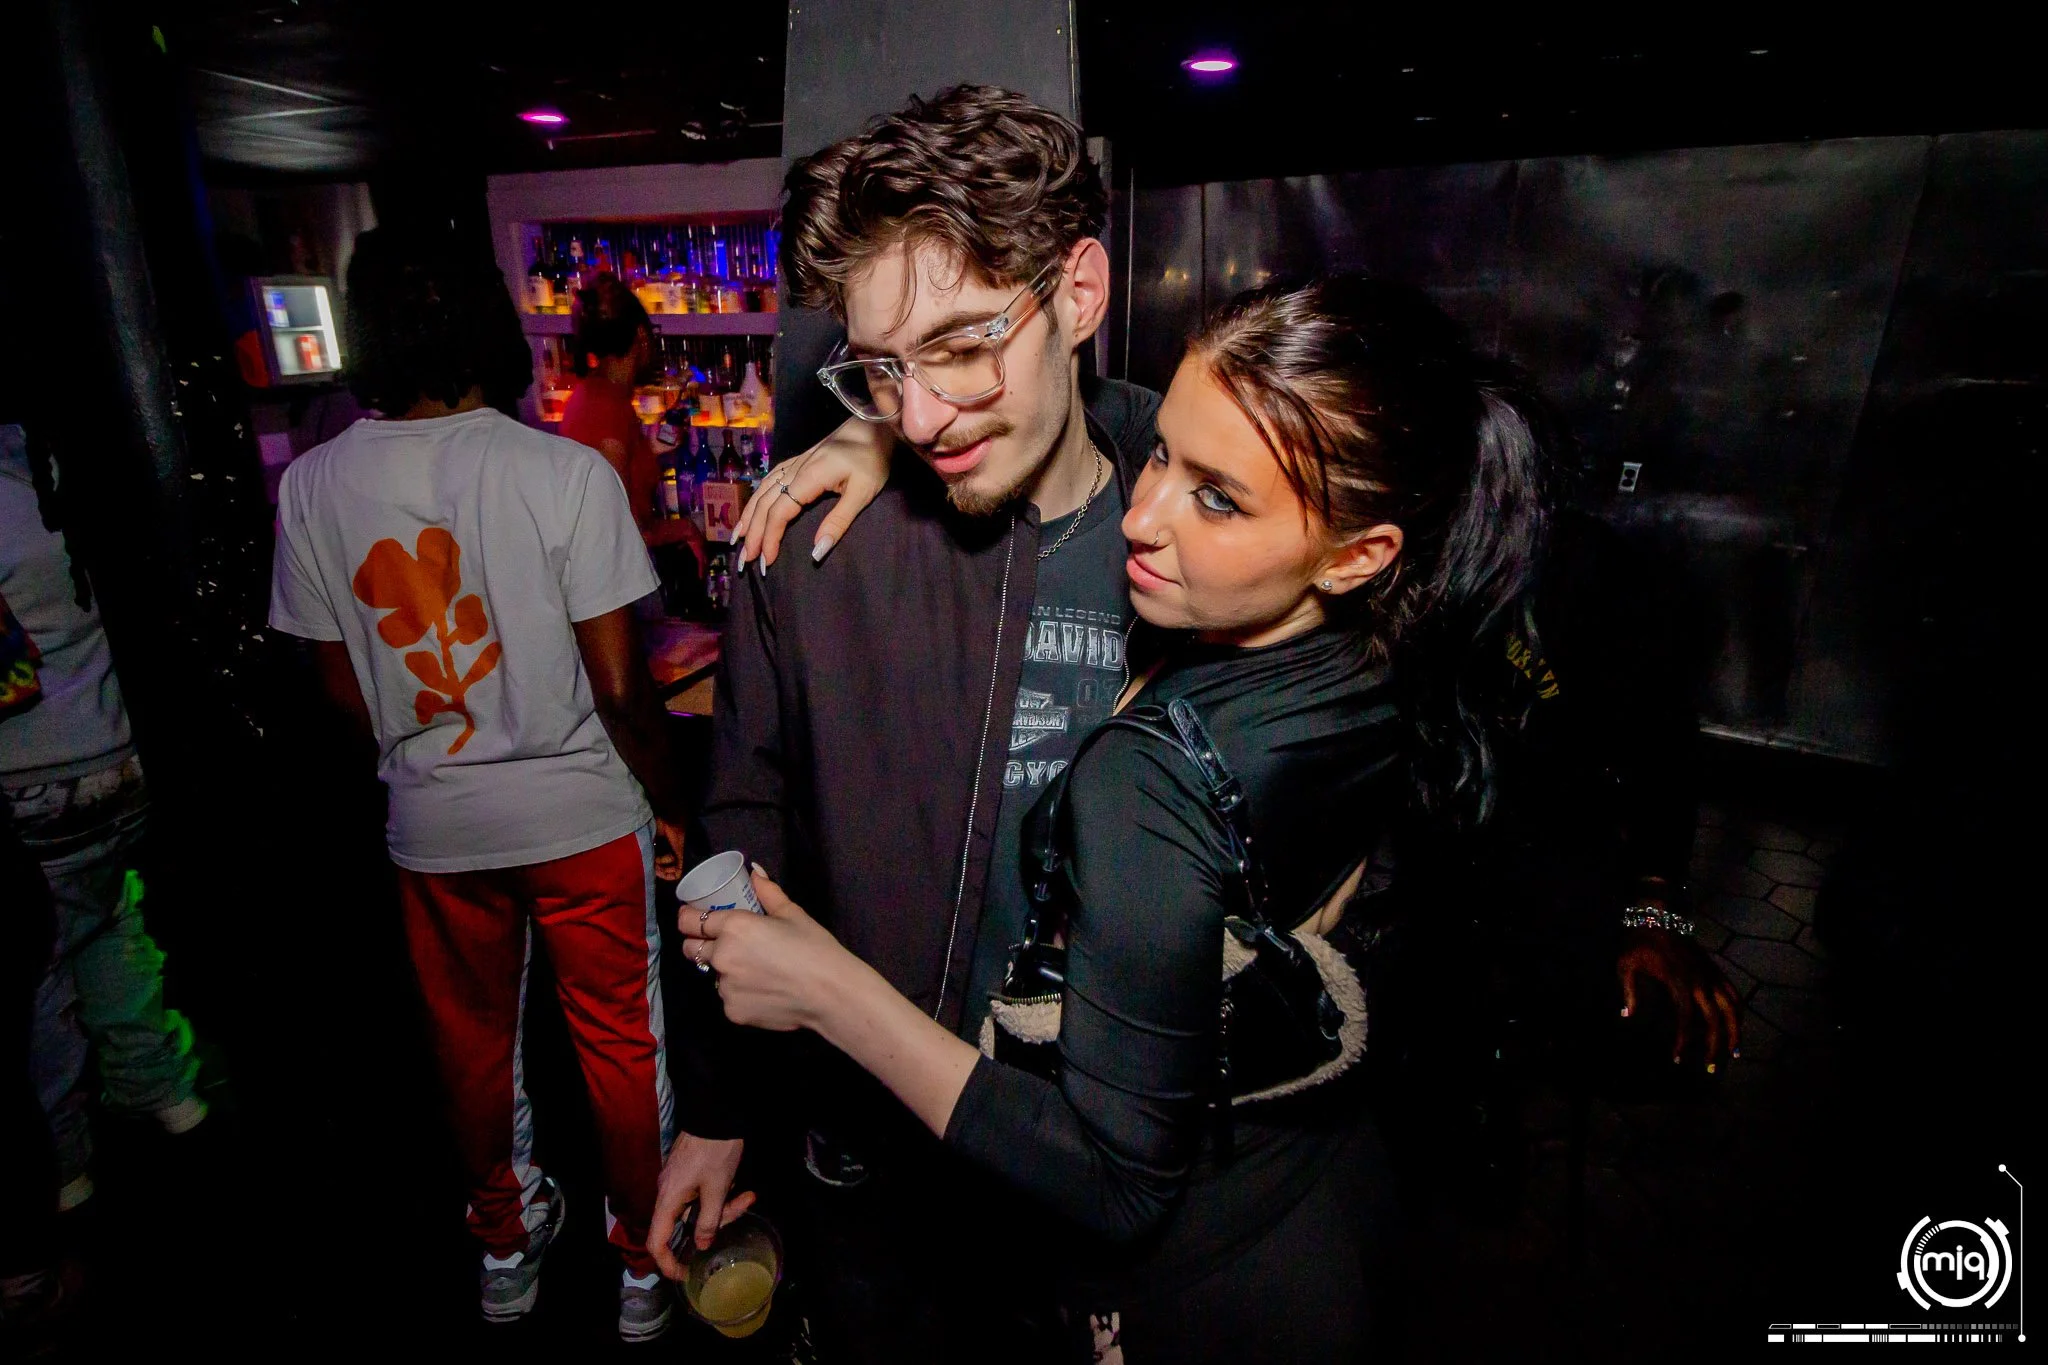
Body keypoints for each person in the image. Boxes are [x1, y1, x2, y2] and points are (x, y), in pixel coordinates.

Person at [684, 274, 1555, 1361]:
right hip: (1323, 1202)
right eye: (1163, 459)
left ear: (1355, 553)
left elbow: (1112, 1182)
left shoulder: (1145, 783)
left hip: (1200, 1296)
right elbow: (1150, 433)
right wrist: (899, 432)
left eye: (1215, 500)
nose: (1143, 517)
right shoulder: (1393, 649)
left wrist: (828, 990)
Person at [648, 86, 1158, 1361]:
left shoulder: (1193, 554)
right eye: (883, 368)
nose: (920, 418)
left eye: (963, 344)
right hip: (875, 1178)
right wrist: (712, 1107)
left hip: (1106, 1180)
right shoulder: (815, 551)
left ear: (1079, 293)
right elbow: (739, 829)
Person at [266, 225, 699, 1342]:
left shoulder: (311, 486)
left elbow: (338, 690)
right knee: (620, 1041)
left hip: (434, 822)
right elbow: (620, 685)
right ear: (492, 325)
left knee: (468, 1047)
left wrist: (431, 759)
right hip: (580, 815)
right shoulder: (561, 472)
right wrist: (671, 802)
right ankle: (642, 1262)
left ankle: (505, 1247)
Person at [1, 420, 207, 1221]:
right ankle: (162, 1088)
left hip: (32, 772)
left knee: (37, 968)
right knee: (110, 918)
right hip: (120, 749)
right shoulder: (59, 459)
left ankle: (65, 1163)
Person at [556, 273, 705, 594]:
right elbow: (624, 527)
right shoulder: (608, 407)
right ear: (641, 335)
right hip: (613, 584)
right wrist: (686, 529)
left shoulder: (595, 396)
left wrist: (648, 450)